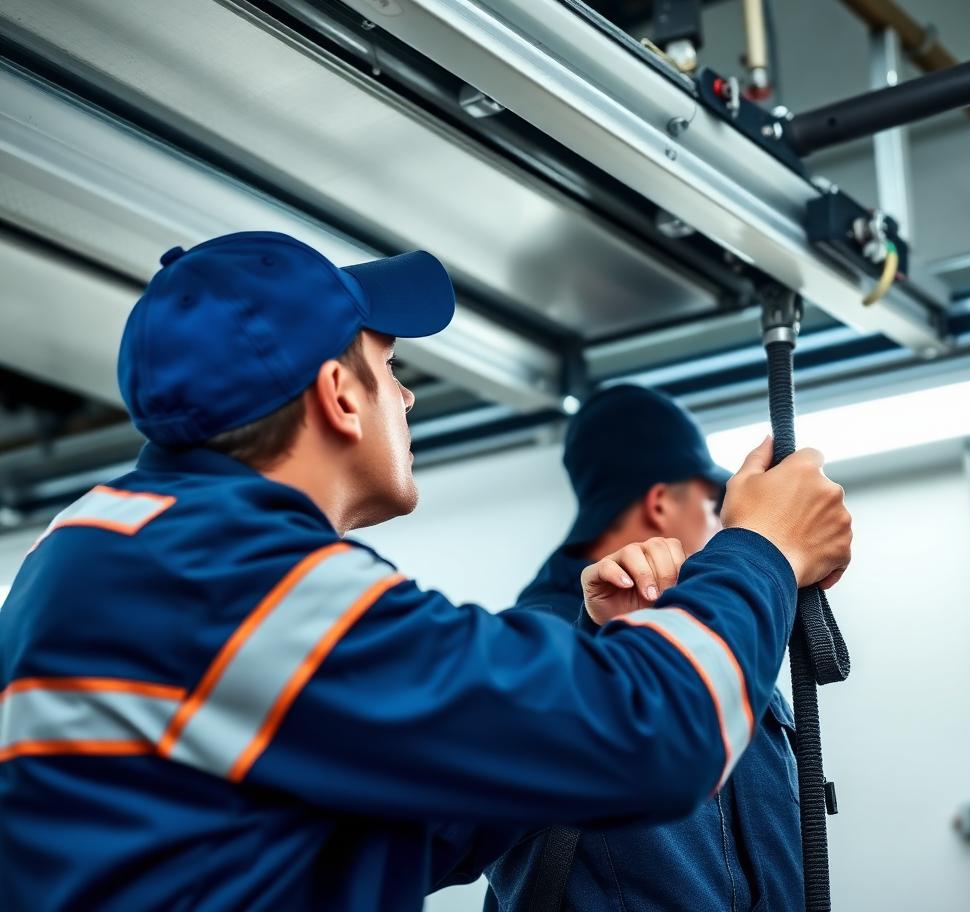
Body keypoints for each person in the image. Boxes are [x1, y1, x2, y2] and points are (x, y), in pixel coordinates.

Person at [0, 232, 852, 912]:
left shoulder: (96, 552)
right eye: (391, 370)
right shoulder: (237, 580)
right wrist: (764, 549)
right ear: (339, 394)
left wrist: (593, 656)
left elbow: (385, 831)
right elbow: (658, 736)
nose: (403, 400)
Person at [485, 385, 808, 911]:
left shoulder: (706, 645)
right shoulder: (533, 655)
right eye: (711, 503)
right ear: (660, 503)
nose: (720, 525)